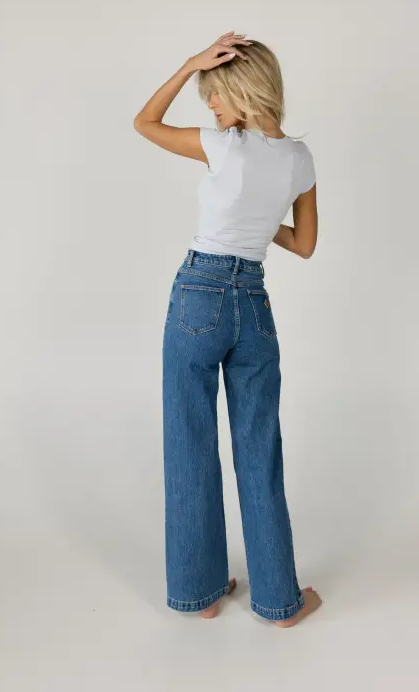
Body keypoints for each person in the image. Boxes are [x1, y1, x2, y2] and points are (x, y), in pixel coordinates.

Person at [133, 31, 322, 627]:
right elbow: (305, 245)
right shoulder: (300, 159)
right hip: (254, 303)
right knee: (259, 447)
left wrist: (188, 62)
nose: (211, 105)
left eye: (215, 92)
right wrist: (258, 219)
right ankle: (280, 601)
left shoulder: (223, 145)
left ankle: (202, 592)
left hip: (199, 295)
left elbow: (144, 122)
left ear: (243, 89)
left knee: (189, 442)